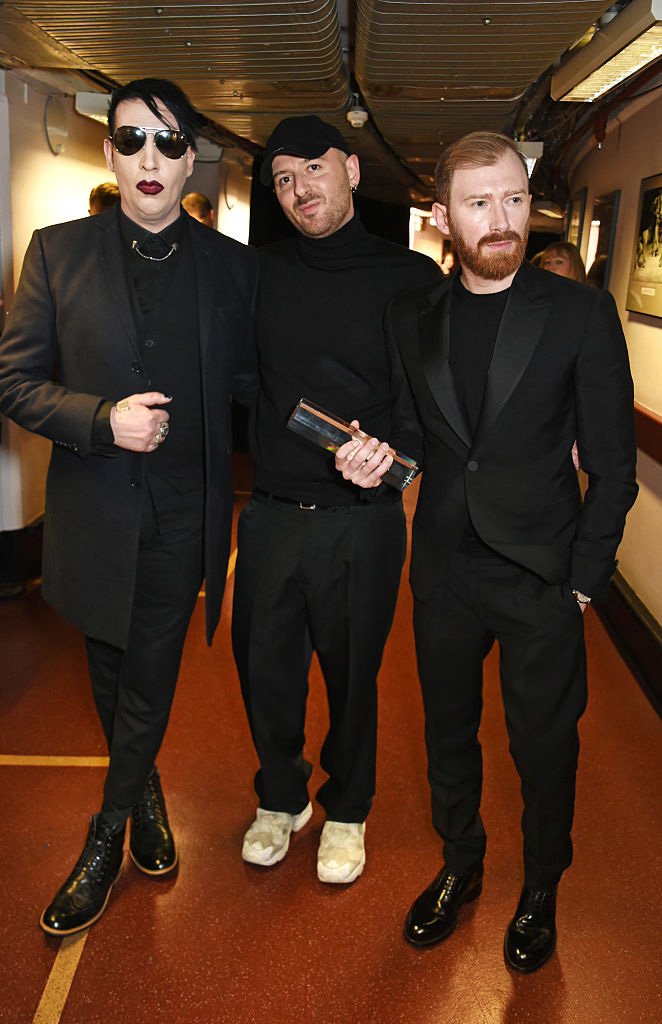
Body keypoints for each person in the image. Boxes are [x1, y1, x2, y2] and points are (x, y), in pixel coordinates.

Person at [337, 131, 637, 970]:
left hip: (543, 578)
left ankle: (542, 885)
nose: (503, 220)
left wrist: (582, 582)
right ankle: (460, 864)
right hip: (444, 573)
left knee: (545, 747)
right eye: (480, 203)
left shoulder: (578, 313)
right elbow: (410, 435)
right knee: (449, 735)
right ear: (442, 217)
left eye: (513, 198)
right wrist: (375, 462)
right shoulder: (412, 316)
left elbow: (613, 467)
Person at [0, 78, 258, 935]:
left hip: (184, 515)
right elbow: (14, 381)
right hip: (94, 511)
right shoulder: (56, 252)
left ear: (192, 160)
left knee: (147, 667)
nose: (150, 157)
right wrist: (101, 419)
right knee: (108, 669)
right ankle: (143, 789)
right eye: (133, 139)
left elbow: (261, 382)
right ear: (110, 151)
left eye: (169, 142)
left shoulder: (233, 269)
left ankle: (105, 835)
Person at [232, 115, 440, 885]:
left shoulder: (412, 278)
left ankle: (348, 809)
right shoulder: (262, 273)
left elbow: (430, 406)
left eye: (312, 169)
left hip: (365, 522)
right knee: (266, 671)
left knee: (354, 677)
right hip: (271, 513)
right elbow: (240, 377)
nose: (298, 190)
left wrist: (394, 458)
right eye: (282, 179)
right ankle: (280, 798)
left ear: (351, 169)